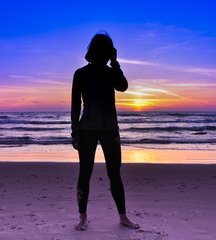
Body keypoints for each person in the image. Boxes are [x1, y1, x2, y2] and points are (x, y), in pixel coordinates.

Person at [71, 31, 140, 231]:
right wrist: (75, 132)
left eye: (107, 50)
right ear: (94, 50)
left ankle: (123, 217)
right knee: (85, 173)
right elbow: (76, 105)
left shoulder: (111, 73)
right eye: (102, 49)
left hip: (110, 130)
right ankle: (82, 217)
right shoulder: (81, 74)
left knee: (114, 173)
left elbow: (123, 87)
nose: (104, 53)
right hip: (87, 130)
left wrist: (116, 63)